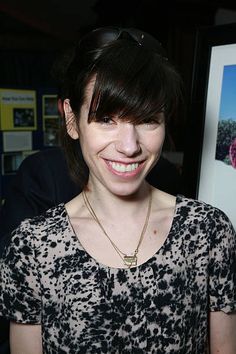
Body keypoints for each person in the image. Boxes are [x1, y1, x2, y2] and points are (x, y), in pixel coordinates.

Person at [0, 26, 235, 354]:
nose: (129, 146)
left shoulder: (209, 231)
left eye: (147, 119)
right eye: (106, 118)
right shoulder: (33, 248)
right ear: (71, 119)